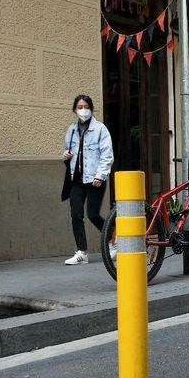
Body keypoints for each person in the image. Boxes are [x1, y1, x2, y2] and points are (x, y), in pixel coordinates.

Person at [62, 95, 114, 265]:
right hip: (76, 179)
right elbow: (69, 151)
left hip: (94, 179)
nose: (83, 110)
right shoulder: (71, 130)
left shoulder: (100, 129)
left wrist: (100, 175)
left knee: (93, 214)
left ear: (91, 109)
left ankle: (113, 237)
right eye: (80, 107)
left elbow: (107, 155)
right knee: (76, 215)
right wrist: (66, 156)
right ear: (74, 110)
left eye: (86, 107)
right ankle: (82, 252)